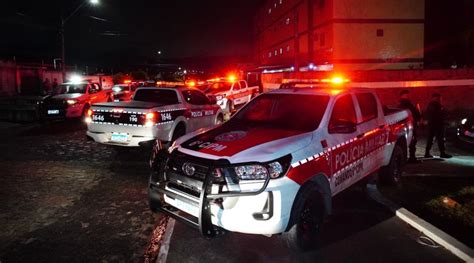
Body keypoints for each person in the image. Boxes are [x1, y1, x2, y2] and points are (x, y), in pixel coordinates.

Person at [424, 93, 452, 158]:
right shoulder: (434, 105)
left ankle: (429, 153)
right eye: (439, 98)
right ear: (435, 98)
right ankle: (441, 153)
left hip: (435, 124)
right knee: (438, 139)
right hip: (436, 124)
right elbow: (437, 114)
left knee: (434, 139)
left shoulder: (435, 105)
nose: (440, 99)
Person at [398, 89, 421, 163]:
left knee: (408, 142)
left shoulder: (401, 104)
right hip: (409, 125)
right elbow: (414, 113)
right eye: (407, 94)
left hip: (406, 126)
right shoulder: (407, 104)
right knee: (412, 141)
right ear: (403, 95)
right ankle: (411, 158)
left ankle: (406, 158)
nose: (408, 96)